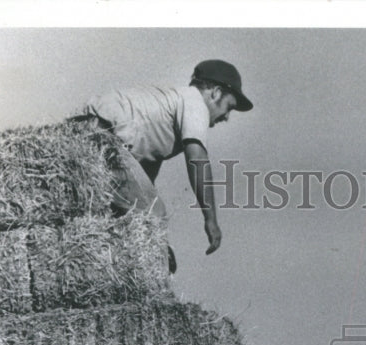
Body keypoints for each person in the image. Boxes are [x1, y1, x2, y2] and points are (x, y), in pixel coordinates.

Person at [81, 60, 253, 260]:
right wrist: (211, 220)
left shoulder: (167, 111)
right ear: (214, 93)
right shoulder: (195, 103)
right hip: (103, 136)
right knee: (154, 213)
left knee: (140, 214)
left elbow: (142, 184)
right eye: (229, 107)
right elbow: (197, 159)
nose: (226, 117)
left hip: (93, 134)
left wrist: (159, 244)